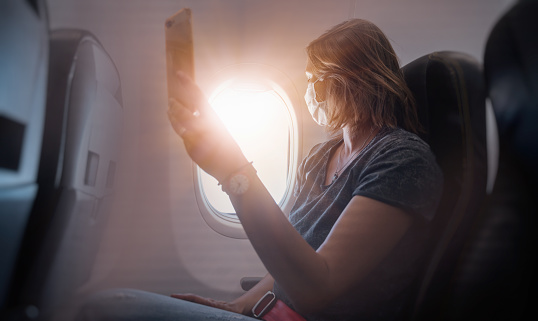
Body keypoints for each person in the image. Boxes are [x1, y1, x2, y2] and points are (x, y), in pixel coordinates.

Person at [76, 18, 443, 321]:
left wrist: (231, 168)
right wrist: (237, 306)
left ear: (356, 80)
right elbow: (293, 262)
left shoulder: (402, 158)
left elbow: (319, 288)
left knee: (106, 309)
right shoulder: (319, 158)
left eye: (317, 78)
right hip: (274, 315)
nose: (309, 91)